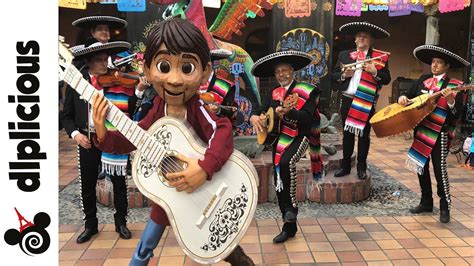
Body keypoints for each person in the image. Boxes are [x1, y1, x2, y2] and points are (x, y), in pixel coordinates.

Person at [91, 18, 254, 265]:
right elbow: (135, 138)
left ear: (204, 72)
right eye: (164, 66)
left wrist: (204, 167)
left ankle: (241, 260)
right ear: (146, 71)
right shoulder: (158, 108)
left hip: (204, 187)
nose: (175, 80)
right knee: (145, 247)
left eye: (187, 68)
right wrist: (102, 132)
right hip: (171, 194)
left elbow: (221, 130)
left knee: (219, 236)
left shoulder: (197, 108)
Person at [60, 39, 133, 243]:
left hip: (111, 139)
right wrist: (76, 134)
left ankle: (121, 223)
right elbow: (66, 116)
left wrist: (139, 90)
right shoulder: (78, 84)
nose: (105, 64)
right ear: (89, 62)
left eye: (106, 59)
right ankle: (90, 225)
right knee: (87, 184)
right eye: (100, 60)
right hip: (87, 140)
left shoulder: (115, 82)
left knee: (119, 182)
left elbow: (132, 106)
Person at [249, 50, 323, 243]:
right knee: (279, 177)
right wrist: (254, 116)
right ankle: (288, 226)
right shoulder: (273, 92)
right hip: (279, 138)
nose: (281, 75)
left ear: (292, 71)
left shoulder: (308, 90)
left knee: (286, 164)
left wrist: (288, 114)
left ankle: (291, 211)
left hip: (301, 135)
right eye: (277, 72)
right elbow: (260, 108)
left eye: (284, 70)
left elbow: (306, 120)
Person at [398, 45, 469, 223]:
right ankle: (426, 202)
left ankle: (445, 207)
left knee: (439, 170)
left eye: (439, 63)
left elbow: (457, 114)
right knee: (420, 167)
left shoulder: (455, 86)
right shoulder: (423, 79)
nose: (435, 65)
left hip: (440, 133)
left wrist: (451, 100)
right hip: (421, 130)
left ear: (446, 66)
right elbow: (408, 95)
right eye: (433, 62)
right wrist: (403, 98)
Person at [332, 22, 391, 180]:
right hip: (347, 99)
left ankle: (361, 167)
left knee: (364, 135)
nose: (361, 39)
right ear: (355, 39)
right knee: (347, 134)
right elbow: (334, 76)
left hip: (366, 100)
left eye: (365, 37)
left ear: (371, 40)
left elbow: (386, 79)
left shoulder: (379, 57)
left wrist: (375, 71)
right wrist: (344, 75)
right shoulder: (344, 55)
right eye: (359, 36)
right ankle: (345, 166)